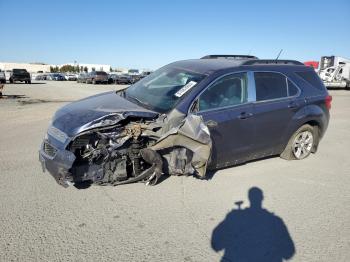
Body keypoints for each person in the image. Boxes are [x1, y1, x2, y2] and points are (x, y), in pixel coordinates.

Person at [211, 187, 295, 262]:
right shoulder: (276, 221)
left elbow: (217, 245)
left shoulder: (234, 217)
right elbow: (289, 253)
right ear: (262, 198)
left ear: (249, 198)